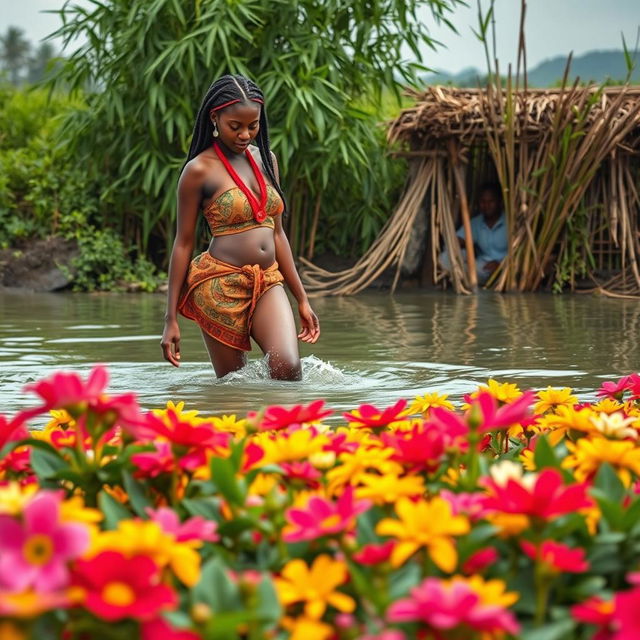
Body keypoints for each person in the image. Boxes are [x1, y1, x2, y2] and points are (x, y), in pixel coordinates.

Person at [161, 75, 319, 380]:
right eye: (236, 126)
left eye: (253, 125)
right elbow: (183, 243)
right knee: (234, 384)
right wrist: (170, 319)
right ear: (215, 118)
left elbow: (277, 233)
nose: (246, 134)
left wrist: (301, 297)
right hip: (218, 284)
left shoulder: (267, 161)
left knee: (288, 369)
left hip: (267, 281)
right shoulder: (198, 171)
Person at [440, 183, 507, 285]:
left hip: (504, 269)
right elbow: (456, 240)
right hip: (481, 266)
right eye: (483, 202)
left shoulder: (510, 223)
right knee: (445, 258)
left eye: (491, 201)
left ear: (499, 202)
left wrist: (501, 264)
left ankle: (462, 279)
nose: (486, 205)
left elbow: (520, 252)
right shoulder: (476, 223)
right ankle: (463, 278)